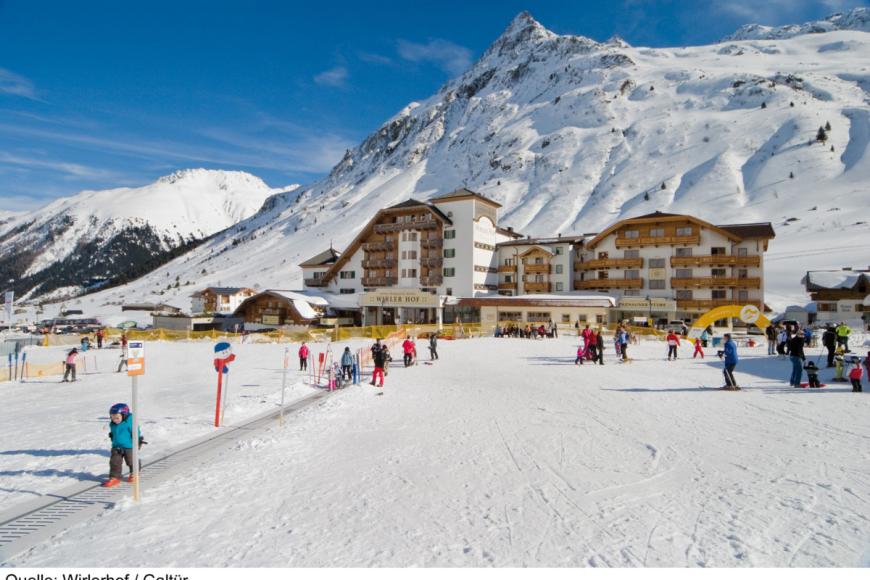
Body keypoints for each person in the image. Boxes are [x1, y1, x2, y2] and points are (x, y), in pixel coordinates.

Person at [101, 403, 144, 487]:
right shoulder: (112, 423)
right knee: (114, 462)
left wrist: (137, 440)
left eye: (117, 418)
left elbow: (136, 431)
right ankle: (114, 477)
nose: (115, 420)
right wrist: (112, 436)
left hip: (129, 446)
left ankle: (134, 473)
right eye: (112, 418)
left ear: (124, 415)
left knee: (131, 460)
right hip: (116, 446)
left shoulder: (130, 422)